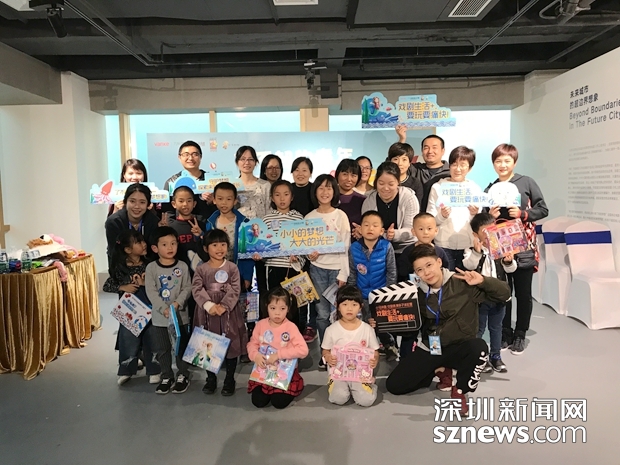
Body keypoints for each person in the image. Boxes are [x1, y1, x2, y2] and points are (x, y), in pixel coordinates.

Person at [385, 244, 511, 415]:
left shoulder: (463, 282)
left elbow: (505, 294)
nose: (426, 272)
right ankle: (440, 369)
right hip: (433, 346)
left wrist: (483, 280)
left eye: (429, 265)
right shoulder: (416, 292)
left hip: (461, 345)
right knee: (394, 385)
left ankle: (459, 390)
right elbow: (411, 328)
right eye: (420, 270)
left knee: (479, 348)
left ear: (439, 262)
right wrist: (384, 325)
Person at [486, 143, 548, 355]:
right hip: (499, 247)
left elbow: (543, 209)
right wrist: (489, 215)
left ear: (514, 162)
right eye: (498, 161)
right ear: (493, 163)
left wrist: (523, 214)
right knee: (504, 292)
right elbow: (483, 220)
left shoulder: (526, 182)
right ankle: (505, 332)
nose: (502, 165)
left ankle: (520, 333)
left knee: (523, 293)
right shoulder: (491, 188)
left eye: (507, 161)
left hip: (523, 246)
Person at [192, 229, 246, 396]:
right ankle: (211, 379)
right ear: (206, 248)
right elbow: (196, 288)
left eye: (223, 244)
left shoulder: (232, 267)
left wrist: (224, 305)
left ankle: (229, 379)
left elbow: (236, 289)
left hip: (228, 312)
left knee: (230, 342)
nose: (219, 248)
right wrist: (209, 305)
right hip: (207, 313)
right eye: (214, 245)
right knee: (208, 344)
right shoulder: (201, 269)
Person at [103, 229, 160, 386]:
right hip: (130, 311)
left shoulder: (150, 265)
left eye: (143, 241)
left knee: (152, 337)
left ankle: (154, 370)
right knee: (128, 339)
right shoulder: (120, 268)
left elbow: (158, 284)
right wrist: (123, 287)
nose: (144, 244)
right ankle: (126, 370)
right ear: (128, 249)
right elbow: (107, 285)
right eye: (138, 242)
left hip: (150, 308)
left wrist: (145, 283)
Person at [305, 174, 351, 368]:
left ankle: (342, 353)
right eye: (321, 188)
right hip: (317, 270)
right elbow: (305, 246)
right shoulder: (309, 217)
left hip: (336, 270)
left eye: (329, 188)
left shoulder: (340, 216)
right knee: (322, 314)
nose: (325, 192)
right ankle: (326, 353)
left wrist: (343, 273)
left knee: (339, 313)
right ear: (315, 191)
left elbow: (345, 246)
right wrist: (309, 255)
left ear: (334, 191)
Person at [463, 212, 516, 373]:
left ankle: (495, 356)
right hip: (479, 298)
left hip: (498, 296)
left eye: (492, 230)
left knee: (496, 327)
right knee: (478, 329)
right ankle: (479, 357)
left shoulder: (501, 248)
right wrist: (477, 252)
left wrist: (508, 261)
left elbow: (511, 269)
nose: (489, 235)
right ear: (475, 234)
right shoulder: (470, 251)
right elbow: (469, 265)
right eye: (485, 232)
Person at [254, 180, 308, 336]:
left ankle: (293, 337)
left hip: (292, 269)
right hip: (272, 268)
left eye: (286, 194)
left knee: (293, 304)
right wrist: (259, 255)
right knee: (273, 303)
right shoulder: (266, 219)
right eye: (277, 195)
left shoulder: (299, 218)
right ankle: (272, 337)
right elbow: (262, 246)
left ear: (292, 197)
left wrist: (298, 258)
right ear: (272, 198)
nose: (282, 198)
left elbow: (305, 245)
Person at [145, 226, 193, 395]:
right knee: (162, 348)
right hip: (160, 318)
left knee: (181, 346)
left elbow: (187, 287)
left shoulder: (183, 266)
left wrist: (177, 304)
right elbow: (151, 291)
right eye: (164, 244)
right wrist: (163, 308)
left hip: (180, 317)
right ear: (155, 248)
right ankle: (166, 375)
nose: (170, 247)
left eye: (173, 243)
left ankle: (183, 374)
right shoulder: (151, 268)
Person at [347, 210, 398, 360]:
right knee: (364, 323)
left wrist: (388, 294)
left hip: (380, 295)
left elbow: (391, 271)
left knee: (382, 323)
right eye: (366, 225)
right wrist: (353, 295)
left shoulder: (387, 246)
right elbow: (352, 272)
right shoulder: (354, 248)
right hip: (361, 294)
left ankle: (389, 346)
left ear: (381, 231)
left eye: (375, 225)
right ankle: (364, 350)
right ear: (360, 229)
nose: (370, 228)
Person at [247, 287, 309, 409]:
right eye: (273, 308)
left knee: (279, 402)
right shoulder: (261, 325)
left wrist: (279, 355)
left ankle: (294, 385)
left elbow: (303, 350)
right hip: (263, 371)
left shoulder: (290, 327)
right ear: (267, 307)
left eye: (282, 309)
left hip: (284, 372)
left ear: (288, 309)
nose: (277, 313)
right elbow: (252, 344)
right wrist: (255, 355)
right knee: (258, 401)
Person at [321, 285, 380, 407]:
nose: (349, 308)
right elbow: (325, 350)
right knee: (338, 398)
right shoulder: (331, 330)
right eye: (344, 304)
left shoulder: (367, 329)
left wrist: (375, 360)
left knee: (366, 400)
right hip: (339, 371)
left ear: (360, 307)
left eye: (354, 305)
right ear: (337, 306)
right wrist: (328, 357)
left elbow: (375, 351)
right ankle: (338, 385)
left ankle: (370, 385)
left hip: (360, 373)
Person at [426, 146, 480, 271]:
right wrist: (442, 216)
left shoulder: (474, 189)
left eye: (463, 165)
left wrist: (474, 214)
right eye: (454, 164)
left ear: (470, 168)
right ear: (449, 165)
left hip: (467, 245)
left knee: (467, 280)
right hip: (443, 244)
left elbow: (479, 223)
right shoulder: (437, 187)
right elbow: (430, 221)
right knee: (446, 280)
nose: (458, 169)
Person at [360, 161, 419, 256]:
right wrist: (362, 231)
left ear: (398, 182)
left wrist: (394, 234)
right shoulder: (369, 201)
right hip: (377, 248)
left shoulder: (409, 198)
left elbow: (412, 230)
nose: (386, 188)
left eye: (391, 184)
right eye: (381, 183)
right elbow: (367, 229)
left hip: (406, 248)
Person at [396, 126, 451, 211]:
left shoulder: (451, 173)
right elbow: (393, 166)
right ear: (422, 151)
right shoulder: (415, 169)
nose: (430, 151)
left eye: (434, 147)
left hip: (442, 217)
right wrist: (402, 139)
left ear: (443, 151)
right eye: (426, 148)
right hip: (416, 216)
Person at [105, 183, 159, 268]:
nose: (137, 206)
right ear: (125, 202)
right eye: (132, 201)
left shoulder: (153, 221)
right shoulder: (114, 222)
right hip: (120, 268)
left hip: (148, 268)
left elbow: (153, 253)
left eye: (142, 202)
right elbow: (114, 252)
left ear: (148, 205)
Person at [161, 140, 216, 219]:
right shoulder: (172, 182)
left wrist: (212, 202)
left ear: (200, 157)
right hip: (180, 225)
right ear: (179, 157)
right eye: (186, 154)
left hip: (206, 224)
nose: (190, 158)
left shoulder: (211, 181)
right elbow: (167, 210)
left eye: (195, 154)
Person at [162, 185, 208, 273]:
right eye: (181, 201)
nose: (185, 204)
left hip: (201, 273)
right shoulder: (171, 227)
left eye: (189, 201)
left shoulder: (202, 223)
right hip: (178, 273)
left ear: (194, 204)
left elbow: (210, 246)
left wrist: (201, 234)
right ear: (174, 204)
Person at [397, 212, 450, 282]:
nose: (425, 232)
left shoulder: (440, 251)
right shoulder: (408, 251)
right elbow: (403, 272)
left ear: (436, 231)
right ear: (413, 232)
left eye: (429, 228)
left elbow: (445, 270)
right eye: (421, 229)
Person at [235, 145, 271, 221]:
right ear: (237, 162)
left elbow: (269, 212)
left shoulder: (265, 185)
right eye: (243, 159)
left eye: (250, 159)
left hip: (261, 227)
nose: (247, 162)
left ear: (255, 162)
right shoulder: (232, 186)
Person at [335, 158, 366, 233]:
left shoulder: (363, 200)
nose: (349, 179)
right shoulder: (328, 197)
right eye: (345, 174)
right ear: (337, 174)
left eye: (353, 175)